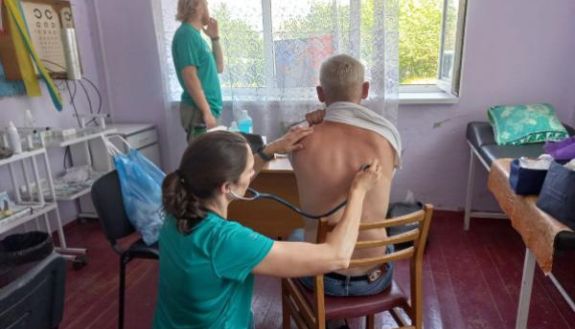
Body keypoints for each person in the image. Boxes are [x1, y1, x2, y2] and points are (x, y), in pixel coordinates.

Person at [152, 127, 384, 329]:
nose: (253, 174)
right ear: (227, 187)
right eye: (250, 170)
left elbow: (229, 182)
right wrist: (358, 191)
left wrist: (271, 149)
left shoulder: (177, 212)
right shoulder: (227, 241)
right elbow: (338, 256)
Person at [290, 54, 402, 298]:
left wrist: (312, 122)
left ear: (320, 94)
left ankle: (329, 318)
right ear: (365, 89)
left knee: (296, 235)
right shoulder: (388, 139)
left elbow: (290, 138)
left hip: (321, 278)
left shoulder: (298, 142)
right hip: (374, 278)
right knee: (385, 241)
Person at [172, 0, 224, 142]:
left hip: (207, 110)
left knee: (212, 161)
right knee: (204, 162)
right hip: (199, 112)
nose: (208, 8)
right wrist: (206, 112)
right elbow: (189, 76)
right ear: (196, 5)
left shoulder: (196, 37)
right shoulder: (186, 35)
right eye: (206, 4)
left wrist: (215, 38)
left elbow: (219, 67)